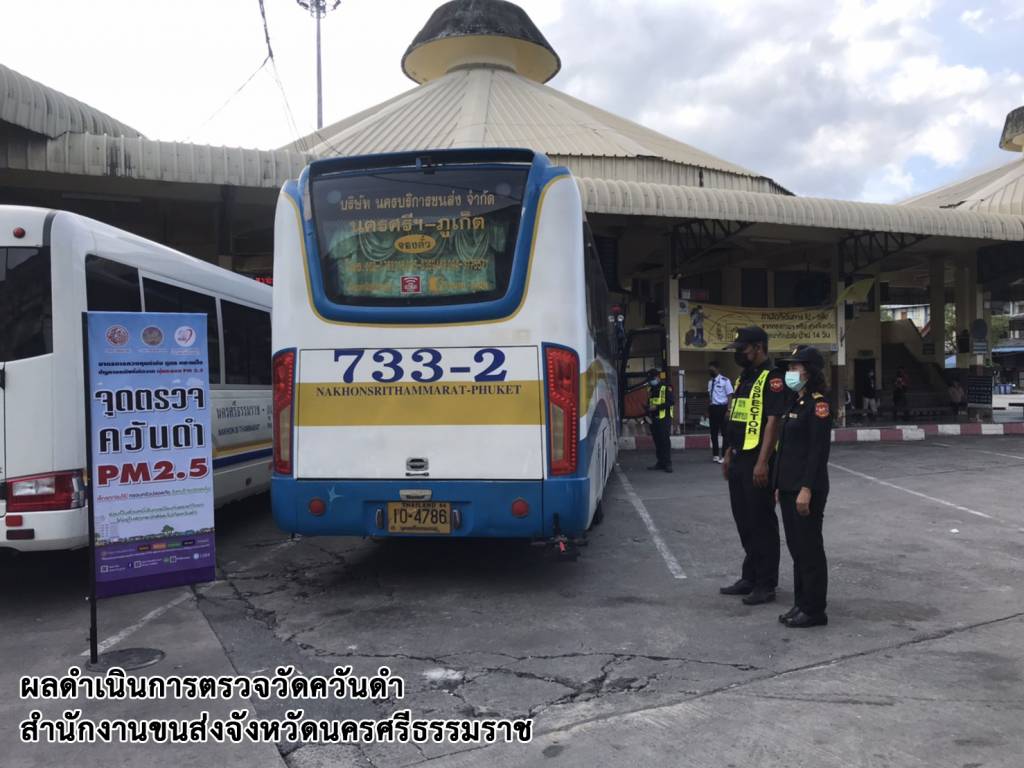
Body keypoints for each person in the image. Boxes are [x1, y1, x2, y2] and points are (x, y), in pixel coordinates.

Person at [720, 327, 787, 605]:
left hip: (757, 460)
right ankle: (750, 576)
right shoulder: (744, 377)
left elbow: (773, 422)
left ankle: (766, 583)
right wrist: (728, 452)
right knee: (744, 520)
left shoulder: (773, 378)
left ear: (758, 347)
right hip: (739, 456)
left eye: (743, 349)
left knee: (761, 523)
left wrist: (762, 462)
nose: (739, 353)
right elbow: (736, 417)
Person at [773, 345, 832, 629]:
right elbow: (785, 449)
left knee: (809, 549)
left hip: (806, 488)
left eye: (794, 367)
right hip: (788, 487)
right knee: (797, 549)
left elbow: (818, 452)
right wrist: (778, 484)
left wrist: (806, 489)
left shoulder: (818, 405)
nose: (789, 372)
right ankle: (801, 603)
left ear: (809, 372)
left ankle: (815, 610)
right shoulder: (795, 402)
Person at [646, 368, 674, 473]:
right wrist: (647, 409)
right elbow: (650, 402)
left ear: (658, 377)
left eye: (652, 379)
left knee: (664, 441)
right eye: (650, 379)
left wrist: (657, 407)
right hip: (654, 419)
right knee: (657, 442)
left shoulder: (666, 387)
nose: (651, 381)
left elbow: (671, 402)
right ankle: (660, 462)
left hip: (664, 419)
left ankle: (668, 463)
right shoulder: (651, 389)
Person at [707, 361, 733, 464]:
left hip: (722, 409)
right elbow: (710, 396)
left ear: (717, 369)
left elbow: (730, 395)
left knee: (725, 433)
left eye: (712, 369)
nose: (710, 371)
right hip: (713, 408)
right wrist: (708, 409)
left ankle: (724, 456)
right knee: (713, 433)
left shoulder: (725, 381)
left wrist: (729, 410)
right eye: (709, 369)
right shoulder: (710, 382)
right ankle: (716, 455)